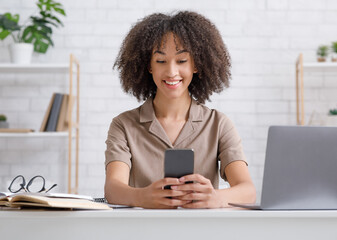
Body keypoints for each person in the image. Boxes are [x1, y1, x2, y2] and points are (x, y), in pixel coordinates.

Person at [104, 11, 256, 209]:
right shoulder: (123, 125)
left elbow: (248, 190)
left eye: (182, 61)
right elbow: (112, 189)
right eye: (160, 61)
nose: (171, 72)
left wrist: (215, 198)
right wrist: (142, 196)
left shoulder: (218, 124)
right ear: (148, 66)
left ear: (196, 64)